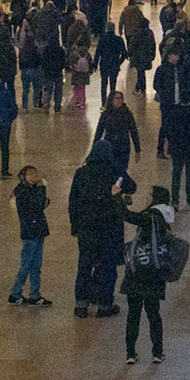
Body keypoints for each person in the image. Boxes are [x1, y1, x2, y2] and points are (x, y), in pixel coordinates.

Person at [69, 147, 135, 318]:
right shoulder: (114, 171)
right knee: (107, 267)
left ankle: (81, 305)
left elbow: (73, 201)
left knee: (85, 265)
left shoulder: (81, 173)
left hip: (87, 227)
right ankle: (105, 305)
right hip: (109, 228)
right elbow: (132, 187)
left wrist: (74, 226)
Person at [121, 187, 177, 363]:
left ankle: (131, 353)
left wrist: (116, 197)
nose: (146, 197)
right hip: (154, 272)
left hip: (138, 272)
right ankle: (157, 352)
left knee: (134, 314)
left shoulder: (149, 217)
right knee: (153, 313)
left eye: (149, 195)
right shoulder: (163, 219)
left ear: (155, 199)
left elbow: (127, 216)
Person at [10, 165, 51, 306]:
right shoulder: (22, 191)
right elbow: (37, 206)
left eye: (35, 173)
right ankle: (15, 293)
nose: (34, 176)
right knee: (26, 265)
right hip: (30, 233)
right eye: (30, 174)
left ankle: (35, 294)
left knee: (36, 266)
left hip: (38, 231)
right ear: (23, 177)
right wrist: (42, 189)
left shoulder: (31, 189)